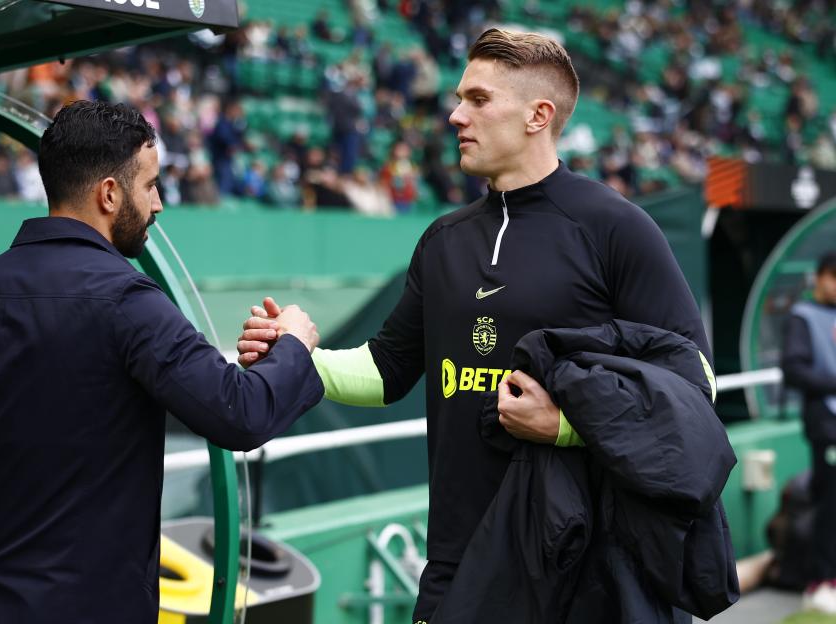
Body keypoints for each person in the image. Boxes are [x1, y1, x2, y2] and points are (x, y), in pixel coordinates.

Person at [238, 29, 716, 622]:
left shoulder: (616, 228)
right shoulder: (443, 240)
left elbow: (694, 383)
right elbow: (387, 371)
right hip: (457, 561)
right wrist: (297, 353)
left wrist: (568, 425)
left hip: (584, 568)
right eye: (460, 97)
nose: (456, 114)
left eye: (479, 99)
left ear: (538, 115)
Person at [0, 100, 324, 624]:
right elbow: (238, 412)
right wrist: (295, 345)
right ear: (109, 193)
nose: (160, 204)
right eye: (150, 186)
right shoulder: (129, 301)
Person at [782, 251, 836, 614]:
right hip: (825, 423)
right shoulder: (803, 317)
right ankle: (821, 582)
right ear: (818, 277)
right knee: (830, 503)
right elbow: (794, 369)